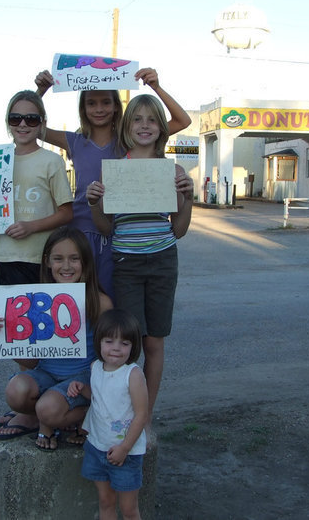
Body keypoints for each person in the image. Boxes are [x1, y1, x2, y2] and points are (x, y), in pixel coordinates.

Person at [0, 90, 74, 433]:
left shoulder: (51, 161)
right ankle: (31, 406)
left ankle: (50, 402)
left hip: (41, 259)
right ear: (7, 123)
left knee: (45, 332)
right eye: (16, 118)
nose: (23, 124)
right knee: (18, 334)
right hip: (6, 256)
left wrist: (31, 226)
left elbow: (67, 210)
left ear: (42, 123)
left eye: (31, 119)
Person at [34, 68, 191, 300]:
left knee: (112, 301)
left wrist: (156, 86)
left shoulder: (129, 139)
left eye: (106, 102)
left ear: (117, 106)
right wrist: (41, 90)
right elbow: (32, 127)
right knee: (80, 300)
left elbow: (183, 121)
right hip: (81, 232)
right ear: (83, 108)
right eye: (92, 103)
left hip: (116, 234)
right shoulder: (74, 141)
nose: (99, 109)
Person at [85, 93, 194, 426]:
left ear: (161, 128)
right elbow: (106, 228)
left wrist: (187, 198)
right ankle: (125, 407)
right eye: (136, 119)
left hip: (162, 260)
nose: (144, 126)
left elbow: (178, 230)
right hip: (127, 264)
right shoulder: (116, 172)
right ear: (126, 127)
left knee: (155, 339)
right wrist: (94, 205)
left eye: (151, 120)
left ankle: (144, 413)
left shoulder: (173, 171)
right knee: (129, 340)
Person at [0, 226, 113, 450]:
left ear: (85, 262)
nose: (66, 266)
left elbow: (111, 356)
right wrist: (3, 337)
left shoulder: (99, 302)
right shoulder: (36, 302)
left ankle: (90, 414)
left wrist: (94, 388)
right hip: (46, 374)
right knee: (15, 392)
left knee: (48, 409)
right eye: (58, 259)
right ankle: (43, 417)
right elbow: (32, 364)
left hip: (80, 380)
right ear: (47, 262)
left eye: (74, 259)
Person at [67, 309, 147, 520]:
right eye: (109, 341)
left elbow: (141, 414)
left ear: (133, 346)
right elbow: (100, 396)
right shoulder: (96, 367)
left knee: (129, 509)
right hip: (96, 447)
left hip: (125, 452)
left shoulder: (133, 374)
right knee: (106, 501)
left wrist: (125, 448)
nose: (116, 349)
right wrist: (81, 388)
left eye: (124, 343)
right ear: (99, 342)